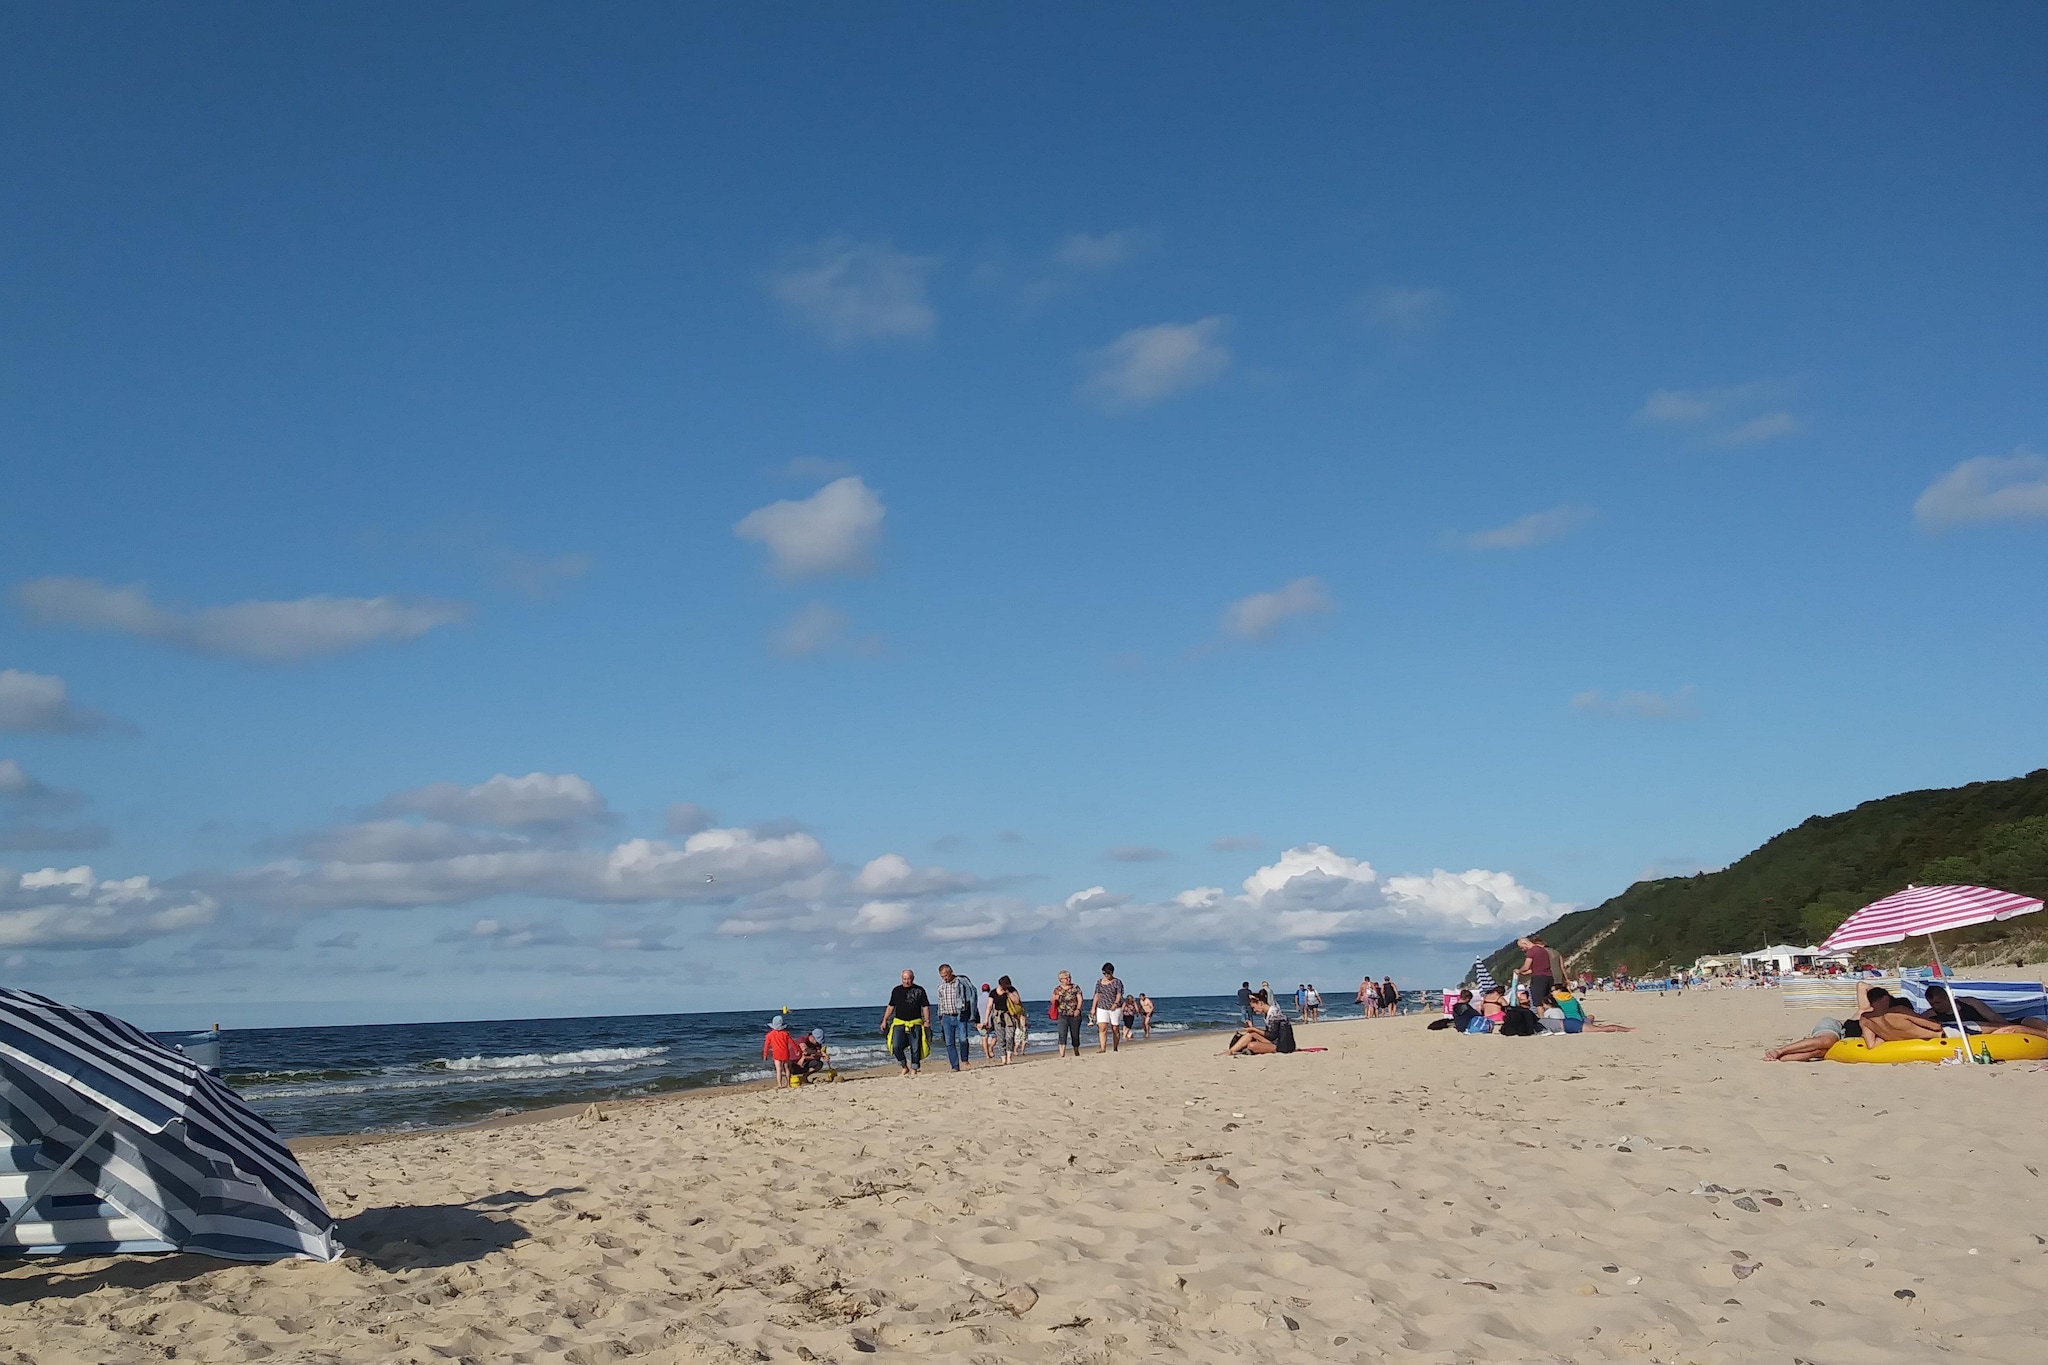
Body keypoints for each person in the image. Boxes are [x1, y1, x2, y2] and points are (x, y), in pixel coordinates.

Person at [1922, 984, 2048, 1038]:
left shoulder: (1969, 1002)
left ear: (1947, 997)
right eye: (1932, 1004)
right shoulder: (1931, 1014)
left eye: (1938, 1002)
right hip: (1985, 1035)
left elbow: (1992, 1016)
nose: (1936, 1006)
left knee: (2032, 1020)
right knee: (2016, 1030)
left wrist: (2008, 1025)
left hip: (1997, 1025)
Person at [880, 968, 931, 1076]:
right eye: (904, 979)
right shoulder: (896, 990)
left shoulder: (920, 990)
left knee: (915, 1047)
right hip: (899, 1023)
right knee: (896, 1046)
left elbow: (925, 1006)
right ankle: (904, 1066)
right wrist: (884, 1020)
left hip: (915, 1022)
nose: (906, 981)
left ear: (913, 978)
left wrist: (926, 1021)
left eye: (909, 979)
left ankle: (914, 1069)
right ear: (901, 978)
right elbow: (891, 1007)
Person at [933, 963, 974, 1072]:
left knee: (963, 1039)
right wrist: (940, 1016)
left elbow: (970, 996)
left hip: (960, 1015)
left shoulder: (960, 982)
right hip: (946, 1016)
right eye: (942, 976)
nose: (944, 978)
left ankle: (965, 1060)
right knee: (949, 1043)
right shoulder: (941, 985)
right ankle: (954, 1066)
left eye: (946, 975)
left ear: (951, 972)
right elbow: (940, 1001)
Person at [1224, 998, 1298, 1056]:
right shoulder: (1269, 1013)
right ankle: (1230, 1051)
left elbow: (1272, 1035)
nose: (1254, 1010)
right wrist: (1253, 1028)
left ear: (1260, 1003)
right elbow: (1271, 1032)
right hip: (1277, 1041)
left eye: (1254, 1007)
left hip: (1283, 1046)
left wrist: (1255, 1029)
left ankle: (1232, 1051)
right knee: (1251, 1033)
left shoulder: (1274, 1014)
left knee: (1251, 1045)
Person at [990, 975, 1024, 1062]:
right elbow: (989, 1006)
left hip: (1010, 1016)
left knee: (1009, 1037)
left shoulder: (1012, 990)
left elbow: (1017, 1001)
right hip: (998, 1017)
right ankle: (1003, 1058)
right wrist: (986, 1019)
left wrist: (1008, 993)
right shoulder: (993, 992)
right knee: (1001, 1038)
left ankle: (1009, 1057)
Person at [1094, 962, 1126, 1053]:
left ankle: (1115, 1047)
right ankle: (1103, 1048)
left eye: (1108, 973)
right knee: (1102, 1028)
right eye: (1104, 973)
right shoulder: (1099, 982)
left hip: (1114, 1008)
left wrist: (1115, 1003)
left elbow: (1119, 994)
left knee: (1115, 1028)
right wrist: (1093, 1008)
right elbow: (1097, 994)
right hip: (1102, 1007)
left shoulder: (1117, 982)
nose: (1106, 975)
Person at [1053, 970, 1086, 1056]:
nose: (1069, 979)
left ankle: (1076, 1051)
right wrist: (1055, 998)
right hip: (1062, 1014)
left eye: (1069, 977)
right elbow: (1052, 1000)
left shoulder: (1075, 987)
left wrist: (1078, 1009)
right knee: (1062, 1034)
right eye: (1066, 978)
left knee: (1075, 1034)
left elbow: (1080, 999)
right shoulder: (1057, 989)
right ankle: (1062, 1054)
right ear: (1061, 979)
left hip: (1074, 1014)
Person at [1519, 936, 1554, 1008]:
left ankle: (1542, 1018)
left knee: (1538, 1003)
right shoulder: (1543, 950)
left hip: (1538, 978)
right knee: (1548, 1000)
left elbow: (1526, 966)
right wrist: (1526, 973)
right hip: (1549, 976)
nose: (1522, 950)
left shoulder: (1531, 951)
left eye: (1521, 947)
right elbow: (1538, 967)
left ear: (1525, 943)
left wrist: (1519, 971)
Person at [762, 1014, 794, 1087]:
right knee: (786, 1068)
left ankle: (780, 1085)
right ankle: (788, 1084)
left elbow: (766, 1046)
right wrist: (796, 1050)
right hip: (785, 1052)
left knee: (778, 1069)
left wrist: (765, 1054)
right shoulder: (786, 1034)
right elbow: (792, 1042)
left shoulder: (769, 1035)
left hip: (776, 1054)